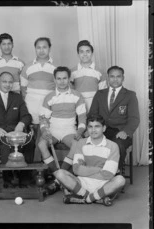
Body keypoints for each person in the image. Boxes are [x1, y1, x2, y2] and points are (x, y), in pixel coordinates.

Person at [53, 114, 125, 205]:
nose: (93, 130)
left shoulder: (113, 146)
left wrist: (86, 169)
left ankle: (88, 198)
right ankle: (93, 197)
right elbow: (76, 169)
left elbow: (109, 174)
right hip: (82, 183)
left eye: (97, 126)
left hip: (103, 185)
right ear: (87, 128)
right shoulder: (81, 143)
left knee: (120, 180)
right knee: (59, 173)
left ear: (104, 128)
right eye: (90, 127)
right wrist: (99, 170)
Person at [0, 71, 35, 188]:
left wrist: (21, 124)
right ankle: (8, 180)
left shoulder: (17, 97)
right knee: (6, 142)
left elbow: (27, 116)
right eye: (4, 81)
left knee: (30, 142)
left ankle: (24, 178)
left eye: (10, 82)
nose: (7, 84)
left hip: (16, 133)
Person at [38, 66, 87, 194]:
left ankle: (57, 181)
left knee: (77, 145)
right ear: (54, 79)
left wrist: (80, 131)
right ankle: (59, 177)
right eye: (59, 78)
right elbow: (43, 118)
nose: (62, 81)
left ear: (69, 79)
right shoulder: (49, 96)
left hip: (69, 130)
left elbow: (82, 118)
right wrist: (44, 131)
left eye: (64, 78)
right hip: (53, 130)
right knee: (41, 144)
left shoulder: (77, 95)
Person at [89, 65, 140, 171]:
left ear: (123, 78)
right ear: (108, 78)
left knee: (118, 144)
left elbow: (134, 118)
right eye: (112, 76)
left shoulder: (130, 95)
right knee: (88, 143)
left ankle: (115, 172)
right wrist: (91, 129)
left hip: (120, 131)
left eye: (118, 76)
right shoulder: (100, 94)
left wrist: (125, 131)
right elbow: (92, 115)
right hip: (102, 130)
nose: (115, 79)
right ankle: (95, 171)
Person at [20, 37, 56, 162]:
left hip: (47, 110)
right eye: (38, 47)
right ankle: (30, 170)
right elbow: (23, 89)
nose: (41, 50)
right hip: (31, 108)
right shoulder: (27, 67)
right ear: (35, 49)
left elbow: (57, 91)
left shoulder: (55, 68)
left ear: (49, 48)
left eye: (44, 47)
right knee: (30, 141)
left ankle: (46, 170)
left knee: (45, 139)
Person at [70, 40, 107, 112]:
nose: (85, 54)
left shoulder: (100, 72)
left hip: (95, 108)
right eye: (81, 52)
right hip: (78, 108)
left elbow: (103, 94)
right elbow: (70, 93)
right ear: (78, 54)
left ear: (92, 53)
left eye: (88, 51)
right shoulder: (72, 72)